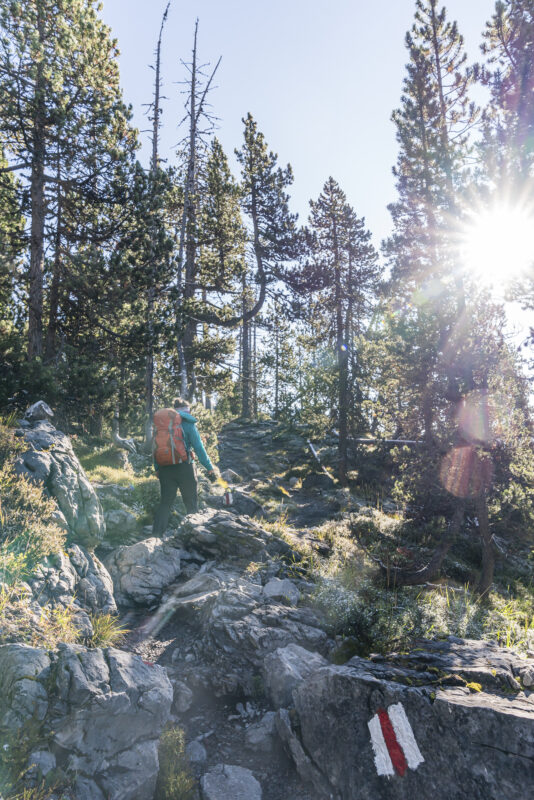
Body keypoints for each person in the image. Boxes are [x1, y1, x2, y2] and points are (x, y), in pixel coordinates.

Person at [152, 397, 217, 535]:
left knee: (165, 503)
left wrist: (157, 468)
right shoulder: (188, 424)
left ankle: (156, 535)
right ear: (187, 410)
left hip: (165, 468)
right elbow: (199, 447)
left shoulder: (162, 424)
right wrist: (209, 468)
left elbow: (156, 448)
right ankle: (193, 536)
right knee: (191, 502)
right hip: (185, 467)